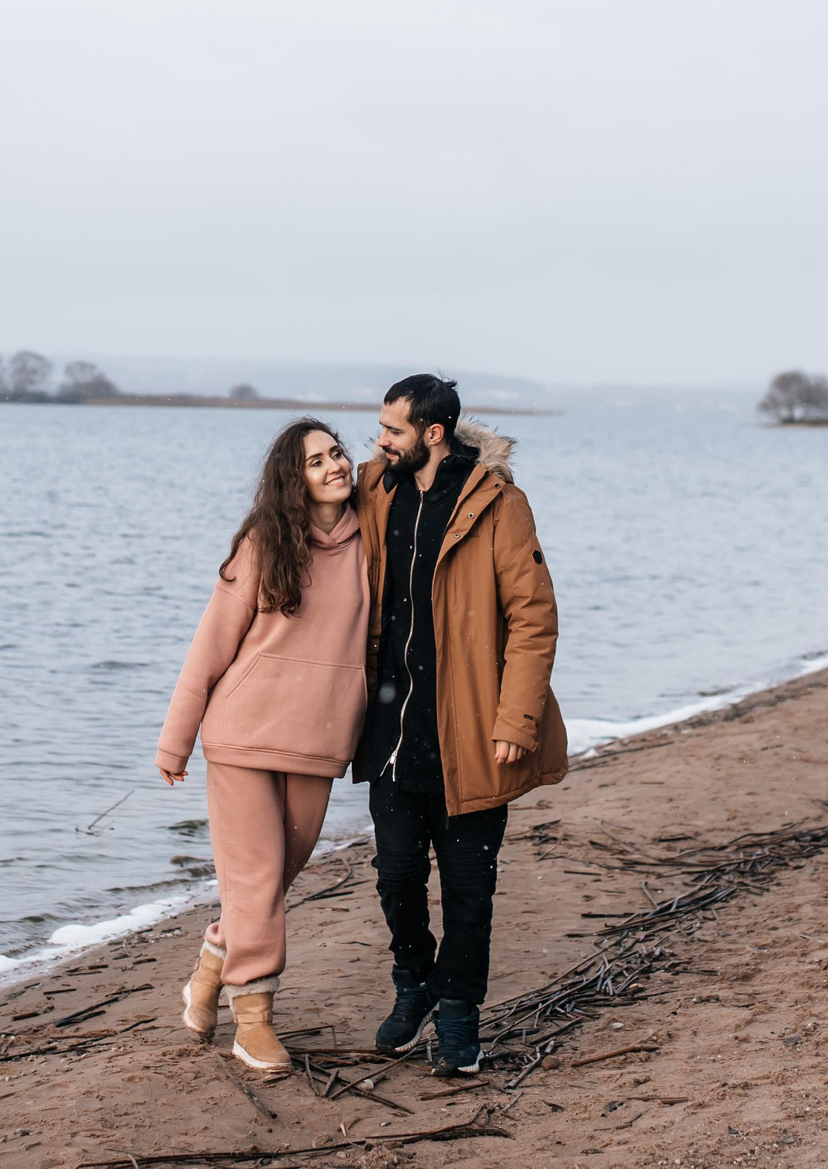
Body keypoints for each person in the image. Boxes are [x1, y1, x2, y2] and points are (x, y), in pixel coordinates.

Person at [355, 373, 565, 1076]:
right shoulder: (375, 489)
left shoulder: (500, 506)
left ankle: (457, 1018)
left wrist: (517, 720)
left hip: (473, 731)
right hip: (390, 731)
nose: (379, 440)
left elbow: (534, 619)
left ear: (432, 434)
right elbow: (308, 519)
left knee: (470, 893)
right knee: (395, 878)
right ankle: (413, 981)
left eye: (392, 430)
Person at [155, 418, 371, 1078]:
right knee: (254, 882)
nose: (334, 465)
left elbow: (425, 455)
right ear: (292, 478)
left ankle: (209, 970)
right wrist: (176, 737)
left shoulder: (374, 537)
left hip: (320, 738)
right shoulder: (264, 542)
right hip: (242, 735)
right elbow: (211, 644)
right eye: (316, 461)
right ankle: (254, 1021)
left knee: (270, 882)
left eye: (338, 453)